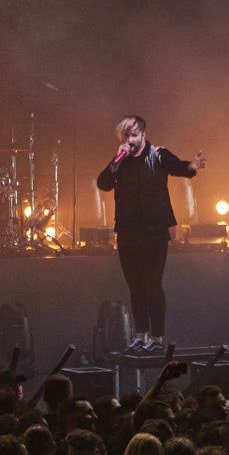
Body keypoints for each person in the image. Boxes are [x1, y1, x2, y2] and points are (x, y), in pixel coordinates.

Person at [92, 114, 206, 350]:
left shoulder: (157, 155)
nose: (130, 140)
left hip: (154, 232)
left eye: (134, 135)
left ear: (143, 135)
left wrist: (191, 167)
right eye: (126, 136)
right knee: (135, 286)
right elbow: (103, 183)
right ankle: (140, 335)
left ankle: (157, 337)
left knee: (152, 284)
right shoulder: (120, 161)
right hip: (127, 232)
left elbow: (178, 167)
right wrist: (117, 158)